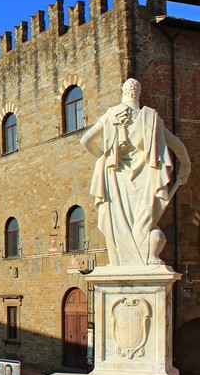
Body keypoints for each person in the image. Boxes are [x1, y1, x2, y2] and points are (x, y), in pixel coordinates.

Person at [80, 79, 191, 266]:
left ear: (123, 92)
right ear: (138, 94)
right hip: (146, 179)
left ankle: (118, 262)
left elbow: (86, 141)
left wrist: (104, 157)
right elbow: (177, 145)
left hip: (115, 177)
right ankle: (144, 257)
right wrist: (186, 166)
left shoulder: (110, 116)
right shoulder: (151, 118)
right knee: (145, 223)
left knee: (116, 222)